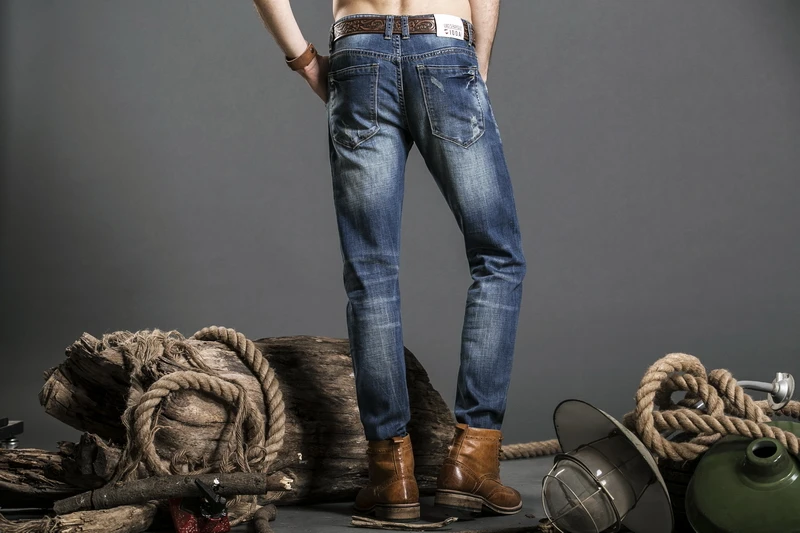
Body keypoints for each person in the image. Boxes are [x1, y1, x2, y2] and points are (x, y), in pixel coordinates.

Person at [253, 0, 526, 521]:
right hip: (444, 43)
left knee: (371, 275)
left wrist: (305, 61)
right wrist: (477, 63)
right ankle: (472, 460)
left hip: (358, 50)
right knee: (497, 258)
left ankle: (391, 475)